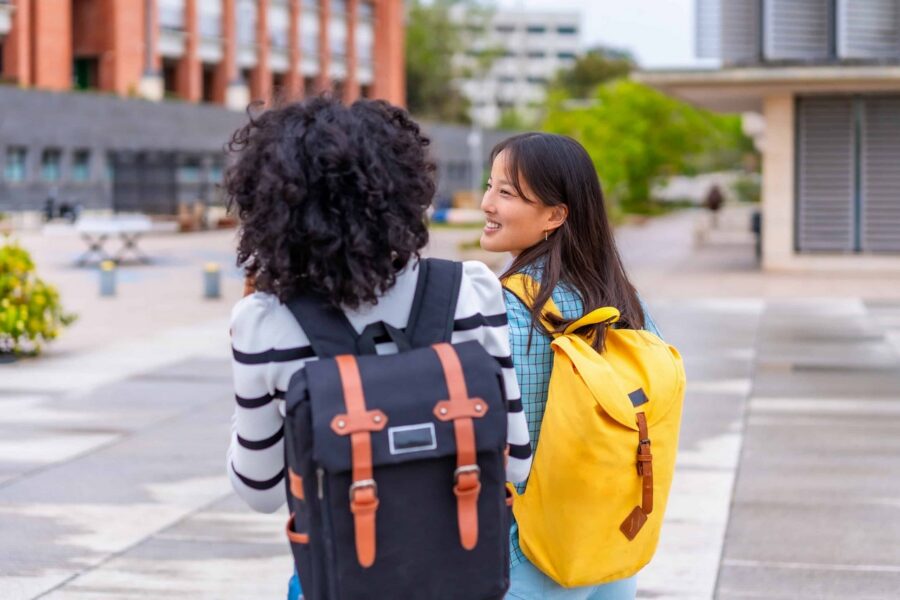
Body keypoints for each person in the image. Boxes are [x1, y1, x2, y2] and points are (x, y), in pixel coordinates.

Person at [224, 95, 532, 600]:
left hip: (339, 578)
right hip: (460, 577)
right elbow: (515, 462)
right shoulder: (472, 289)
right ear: (405, 191)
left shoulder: (264, 323)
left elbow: (258, 491)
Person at [479, 132, 661, 600]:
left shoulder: (506, 305)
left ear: (556, 215)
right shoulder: (625, 302)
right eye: (489, 186)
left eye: (506, 193)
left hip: (530, 552)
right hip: (609, 543)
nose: (486, 204)